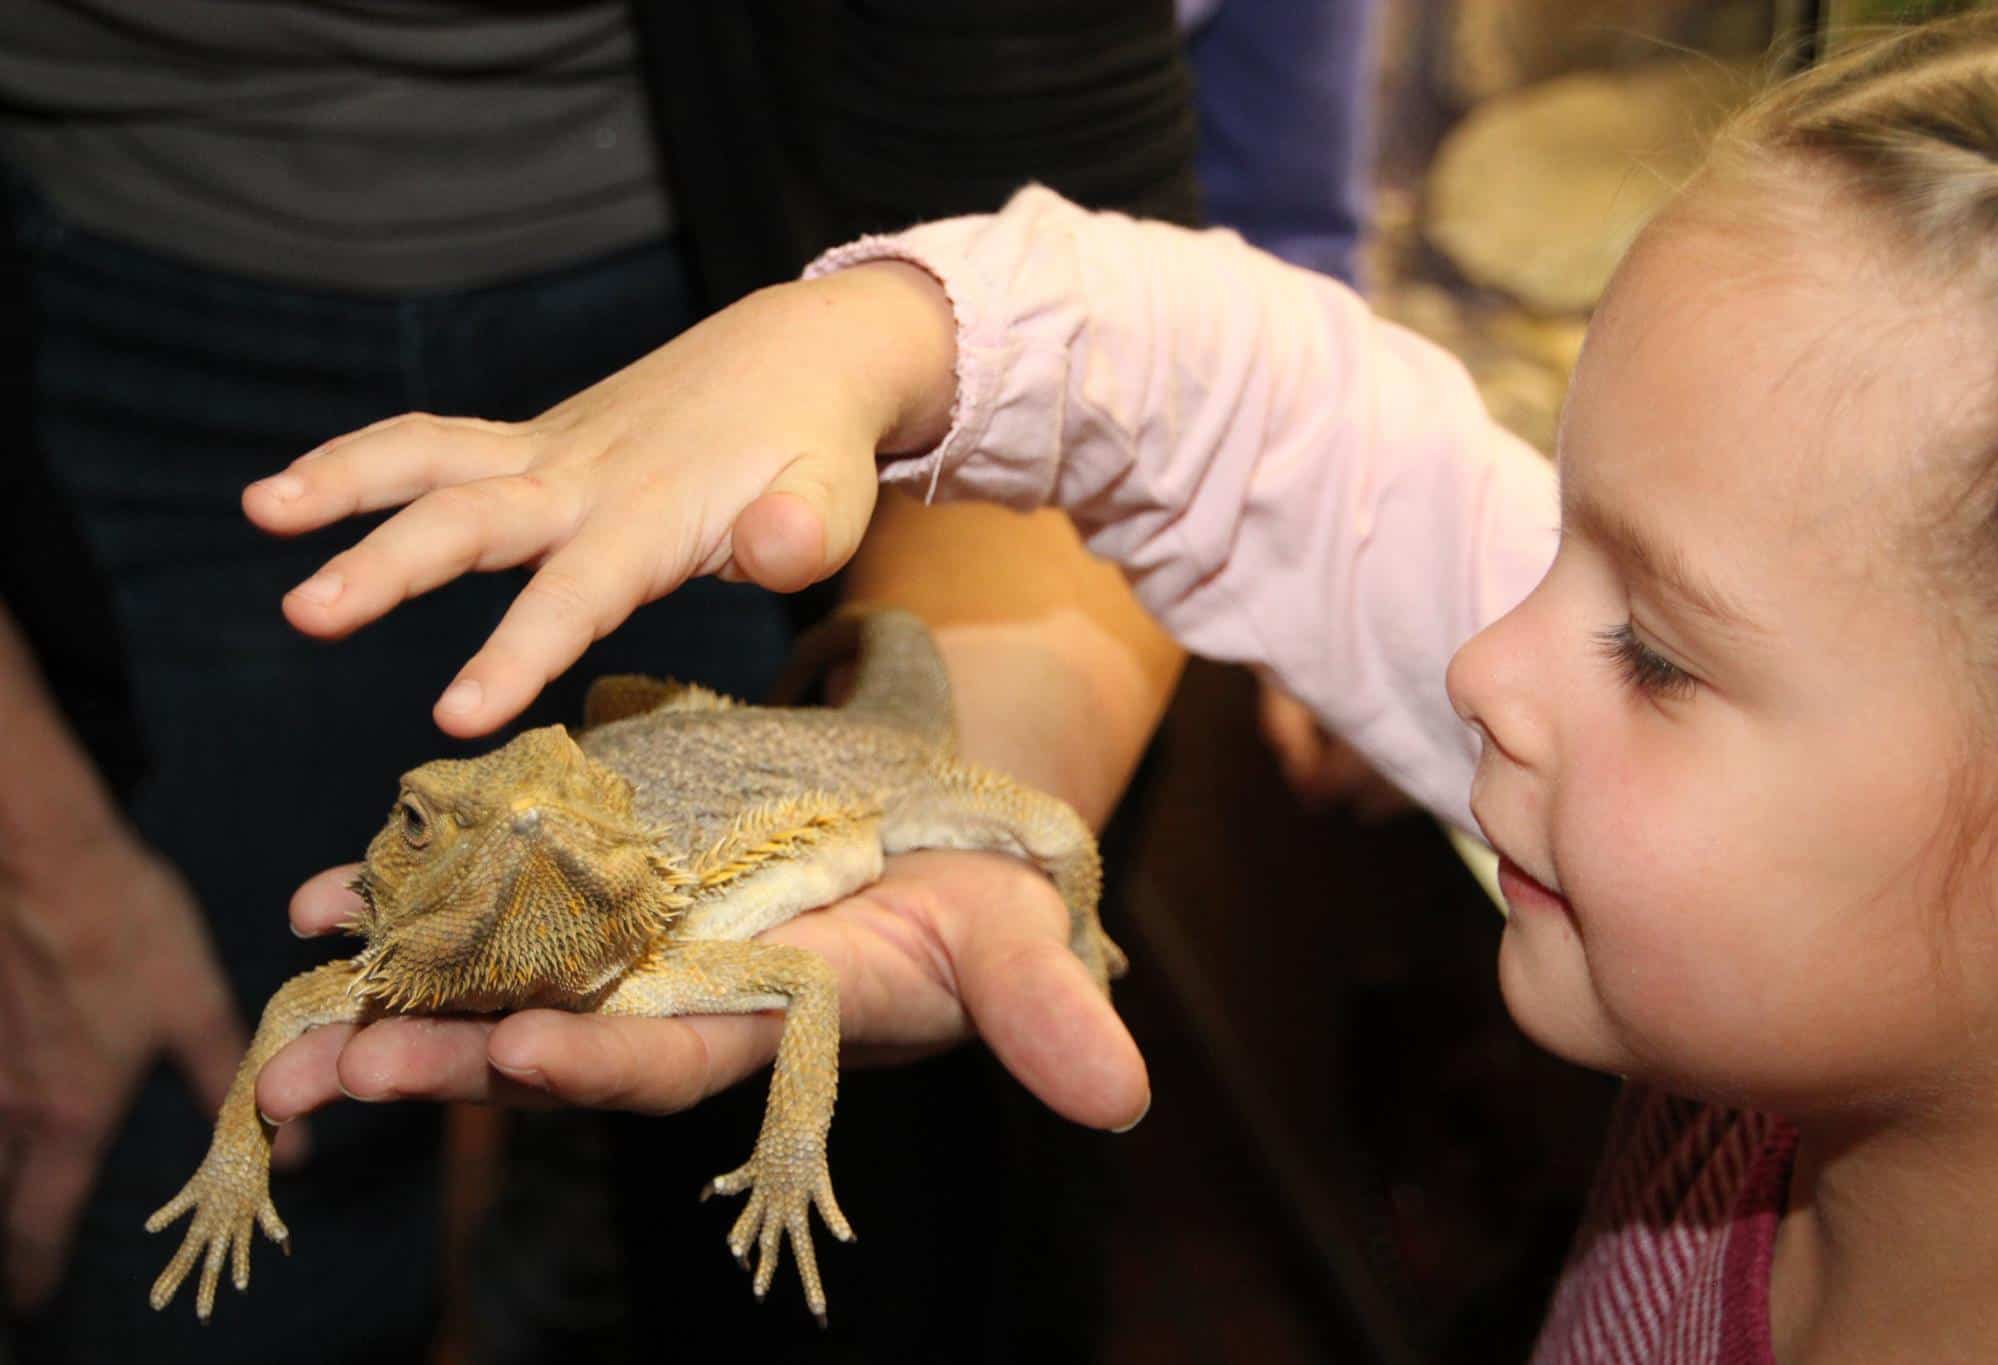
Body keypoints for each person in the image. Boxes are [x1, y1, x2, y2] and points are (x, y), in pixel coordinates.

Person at [256, 8, 1998, 1359]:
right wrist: (866, 336)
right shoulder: (1788, 959)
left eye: (1653, 648)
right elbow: (1261, 404)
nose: (1485, 653)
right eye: (1552, 529)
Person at [0, 4, 1191, 1361]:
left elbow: (1091, 274)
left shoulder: (668, 948)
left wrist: (1043, 919)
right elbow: (292, 1001)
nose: (514, 831)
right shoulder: (385, 959)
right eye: (432, 829)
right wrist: (231, 1151)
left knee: (1017, 884)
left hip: (724, 269)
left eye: (542, 815)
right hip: (105, 284)